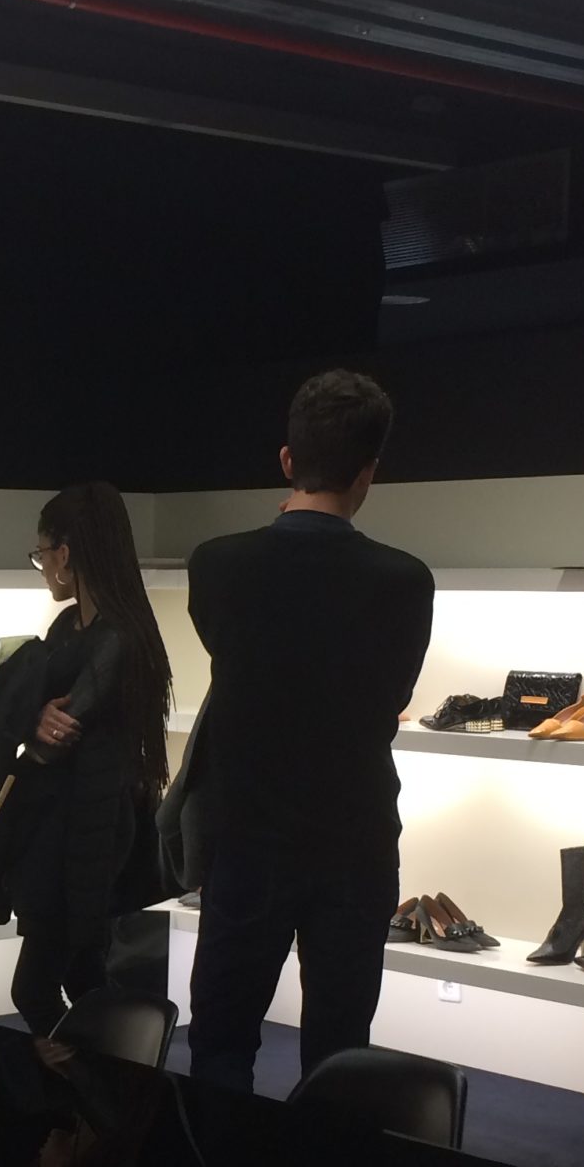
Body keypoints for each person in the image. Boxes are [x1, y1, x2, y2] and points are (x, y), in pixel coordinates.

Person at [180, 371, 434, 1092]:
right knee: (340, 1052)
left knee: (221, 1042)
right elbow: (393, 698)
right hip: (355, 839)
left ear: (288, 460)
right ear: (368, 472)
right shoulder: (405, 580)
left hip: (248, 836)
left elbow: (229, 654)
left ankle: (221, 1165)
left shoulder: (218, 564)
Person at [0, 482, 173, 1034]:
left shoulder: (116, 638)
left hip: (83, 833)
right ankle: (109, 1078)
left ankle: (94, 1075)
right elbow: (36, 714)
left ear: (64, 554)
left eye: (42, 553)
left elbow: (58, 730)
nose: (43, 567)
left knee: (35, 988)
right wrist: (33, 715)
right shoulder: (76, 628)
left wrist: (33, 720)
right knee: (82, 977)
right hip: (68, 828)